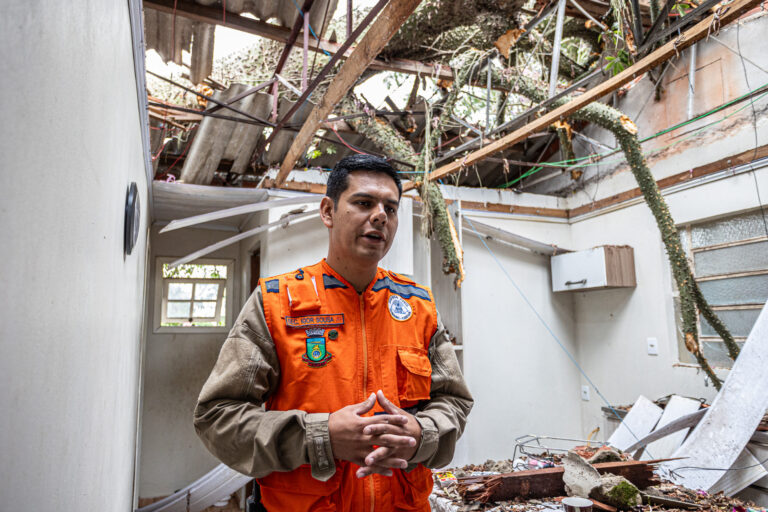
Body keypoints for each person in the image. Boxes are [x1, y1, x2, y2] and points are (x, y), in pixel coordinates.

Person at [194, 154, 473, 511]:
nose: (379, 216)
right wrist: (320, 436)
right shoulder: (277, 303)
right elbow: (217, 416)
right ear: (328, 211)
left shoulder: (418, 306)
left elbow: (455, 401)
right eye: (363, 202)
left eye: (391, 207)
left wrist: (421, 434)